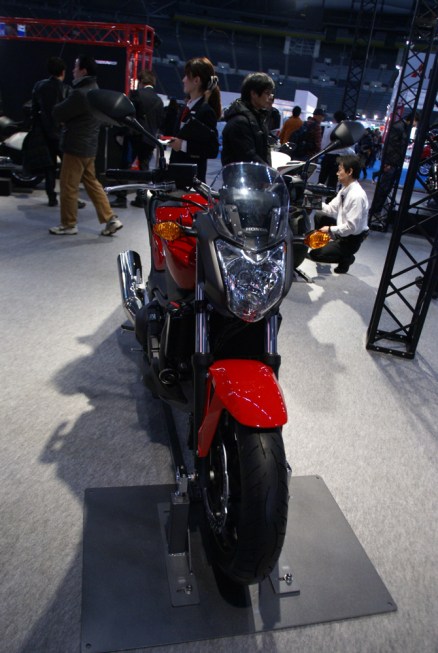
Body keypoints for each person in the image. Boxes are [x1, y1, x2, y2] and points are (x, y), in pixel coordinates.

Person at [50, 55, 122, 236]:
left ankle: (68, 224)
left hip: (75, 146)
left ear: (83, 71)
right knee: (92, 183)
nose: (73, 70)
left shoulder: (79, 93)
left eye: (76, 67)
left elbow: (58, 112)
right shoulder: (94, 89)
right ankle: (111, 218)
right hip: (89, 147)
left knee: (68, 185)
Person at [111, 69, 164, 208]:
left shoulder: (136, 94)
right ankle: (141, 199)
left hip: (134, 136)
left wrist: (121, 133)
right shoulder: (159, 101)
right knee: (144, 169)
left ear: (141, 81)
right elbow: (160, 122)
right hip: (150, 139)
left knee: (125, 166)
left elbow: (127, 115)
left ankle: (121, 198)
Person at [307, 154, 369, 274]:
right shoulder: (345, 189)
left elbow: (351, 228)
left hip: (351, 239)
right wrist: (312, 202)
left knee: (315, 254)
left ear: (349, 171)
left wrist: (330, 229)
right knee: (319, 216)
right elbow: (330, 209)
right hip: (343, 231)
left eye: (340, 170)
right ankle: (328, 244)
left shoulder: (357, 196)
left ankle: (347, 258)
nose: (337, 173)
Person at [168, 57, 221, 183]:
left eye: (187, 76)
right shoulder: (185, 107)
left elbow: (212, 149)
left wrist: (183, 145)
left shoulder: (206, 111)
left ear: (196, 80)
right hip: (176, 177)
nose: (183, 80)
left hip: (191, 181)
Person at [30, 56, 70, 206]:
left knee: (49, 167)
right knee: (68, 168)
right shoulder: (66, 89)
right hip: (61, 134)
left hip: (43, 132)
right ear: (63, 71)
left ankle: (51, 197)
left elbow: (34, 110)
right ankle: (69, 198)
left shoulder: (39, 86)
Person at [369, 111, 419, 228]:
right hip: (392, 163)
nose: (415, 125)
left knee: (386, 188)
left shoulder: (403, 127)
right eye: (416, 122)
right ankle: (375, 210)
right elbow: (391, 146)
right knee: (383, 188)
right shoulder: (398, 127)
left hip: (395, 163)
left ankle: (377, 209)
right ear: (412, 119)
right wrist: (388, 163)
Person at [221, 72, 274, 166]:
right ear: (253, 93)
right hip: (241, 174)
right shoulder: (240, 121)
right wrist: (269, 171)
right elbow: (248, 156)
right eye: (267, 93)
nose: (270, 97)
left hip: (255, 173)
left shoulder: (258, 117)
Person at [318, 110, 354, 189]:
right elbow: (349, 148)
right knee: (333, 182)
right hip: (339, 158)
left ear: (334, 118)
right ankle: (330, 196)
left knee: (321, 180)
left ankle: (317, 195)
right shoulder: (347, 131)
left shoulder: (328, 129)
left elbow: (323, 145)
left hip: (327, 156)